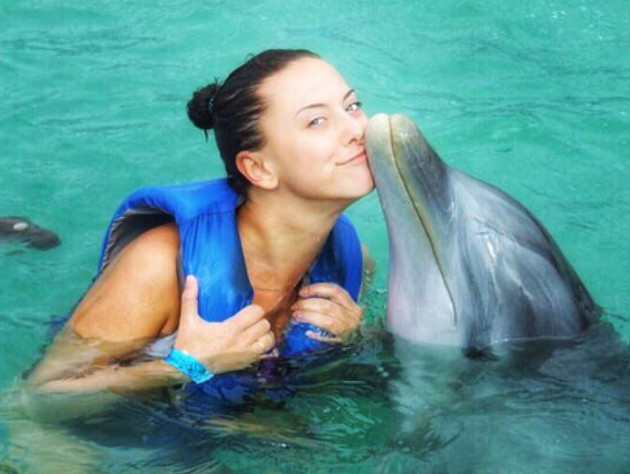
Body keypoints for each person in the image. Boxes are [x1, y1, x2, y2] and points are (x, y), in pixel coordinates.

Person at [26, 49, 374, 398]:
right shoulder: (161, 266)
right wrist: (185, 366)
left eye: (352, 106)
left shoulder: (353, 262)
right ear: (258, 168)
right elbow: (36, 400)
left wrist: (354, 336)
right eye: (316, 121)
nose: (356, 130)